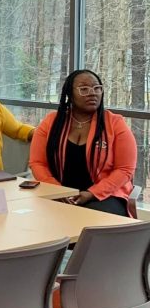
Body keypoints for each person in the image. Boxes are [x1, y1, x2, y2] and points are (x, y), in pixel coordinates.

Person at [29, 70, 136, 217]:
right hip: (59, 192)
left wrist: (92, 193)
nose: (93, 93)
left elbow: (125, 169)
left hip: (105, 195)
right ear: (70, 94)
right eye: (84, 89)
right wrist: (57, 191)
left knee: (88, 217)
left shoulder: (115, 123)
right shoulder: (51, 122)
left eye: (97, 88)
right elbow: (37, 163)